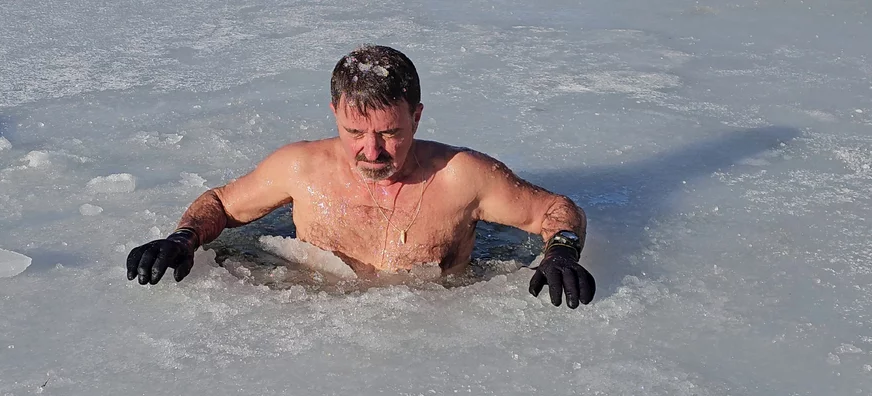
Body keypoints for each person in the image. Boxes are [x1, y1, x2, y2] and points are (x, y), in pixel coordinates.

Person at [126, 45, 596, 309]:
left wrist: (561, 251)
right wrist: (183, 238)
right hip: (319, 316)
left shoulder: (462, 176)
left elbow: (555, 209)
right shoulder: (300, 167)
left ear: (416, 117)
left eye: (390, 133)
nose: (371, 151)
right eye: (354, 132)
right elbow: (223, 204)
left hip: (431, 323)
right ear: (334, 113)